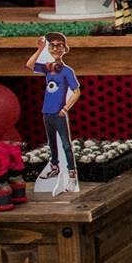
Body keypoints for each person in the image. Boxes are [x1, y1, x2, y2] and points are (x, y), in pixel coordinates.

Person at [25, 33, 80, 188]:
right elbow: (29, 65)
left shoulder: (67, 71)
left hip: (58, 113)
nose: (55, 48)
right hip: (47, 112)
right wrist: (40, 49)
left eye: (59, 45)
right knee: (52, 143)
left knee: (66, 144)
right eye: (52, 45)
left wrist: (65, 108)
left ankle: (72, 174)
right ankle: (55, 167)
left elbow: (77, 92)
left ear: (65, 48)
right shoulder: (48, 68)